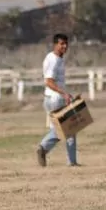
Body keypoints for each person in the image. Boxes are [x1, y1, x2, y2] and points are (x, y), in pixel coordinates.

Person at [35, 33, 79, 167]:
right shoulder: (53, 60)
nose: (65, 46)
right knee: (65, 128)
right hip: (55, 99)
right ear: (55, 44)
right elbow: (48, 81)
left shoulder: (56, 58)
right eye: (61, 44)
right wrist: (64, 94)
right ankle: (43, 147)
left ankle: (72, 161)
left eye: (66, 44)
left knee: (70, 128)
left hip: (54, 98)